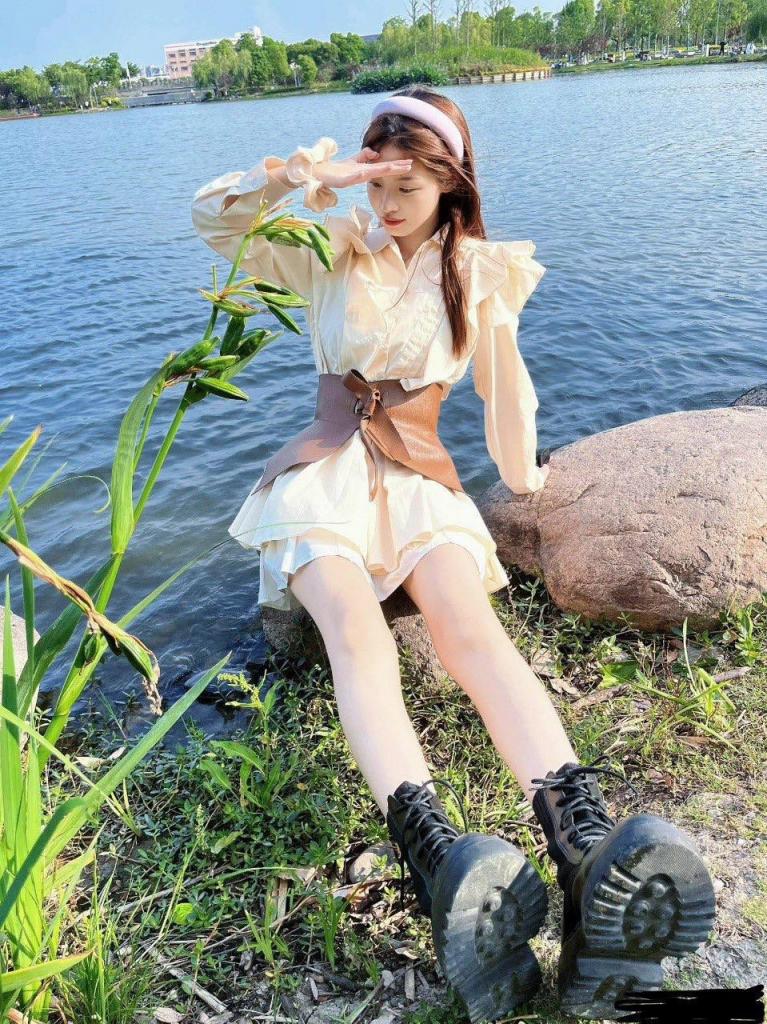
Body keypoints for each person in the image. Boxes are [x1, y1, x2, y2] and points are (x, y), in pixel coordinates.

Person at [191, 86, 715, 1021]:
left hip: (421, 480)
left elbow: (505, 394)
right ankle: (438, 859)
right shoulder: (331, 245)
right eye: (377, 179)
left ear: (450, 182)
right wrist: (309, 176)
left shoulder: (478, 271)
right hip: (322, 476)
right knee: (358, 637)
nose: (390, 201)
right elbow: (215, 221)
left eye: (409, 182)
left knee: (472, 631)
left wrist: (524, 475)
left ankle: (584, 848)